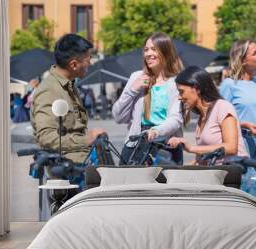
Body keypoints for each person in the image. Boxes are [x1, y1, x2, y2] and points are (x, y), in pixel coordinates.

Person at [167, 67, 254, 194]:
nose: (180, 97)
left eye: (181, 92)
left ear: (196, 88)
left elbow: (231, 147)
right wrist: (176, 172)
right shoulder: (202, 119)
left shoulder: (222, 106)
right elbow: (201, 160)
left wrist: (192, 148)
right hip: (221, 179)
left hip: (237, 179)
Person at [30, 34, 106, 164]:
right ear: (74, 64)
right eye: (88, 59)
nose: (90, 63)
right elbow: (46, 137)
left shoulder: (68, 84)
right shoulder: (49, 91)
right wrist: (86, 140)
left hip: (82, 165)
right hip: (68, 174)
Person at [112, 32, 183, 164]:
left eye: (153, 49)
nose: (148, 54)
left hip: (166, 147)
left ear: (166, 52)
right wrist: (132, 90)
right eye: (146, 49)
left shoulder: (176, 83)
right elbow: (118, 116)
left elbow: (176, 119)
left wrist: (155, 132)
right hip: (136, 145)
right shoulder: (136, 77)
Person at [219, 39, 256, 196]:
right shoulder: (229, 85)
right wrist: (244, 125)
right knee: (248, 192)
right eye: (255, 53)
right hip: (242, 144)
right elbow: (220, 119)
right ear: (242, 60)